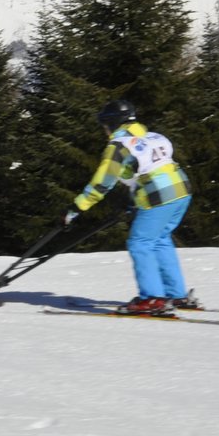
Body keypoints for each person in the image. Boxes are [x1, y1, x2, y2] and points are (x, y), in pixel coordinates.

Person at [66, 99, 197, 316]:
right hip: (181, 190)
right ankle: (176, 294)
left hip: (158, 196)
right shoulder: (153, 136)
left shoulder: (119, 145)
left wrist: (76, 207)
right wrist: (135, 202)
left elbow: (102, 182)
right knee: (160, 239)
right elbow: (143, 171)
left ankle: (152, 299)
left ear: (114, 122)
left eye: (105, 124)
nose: (104, 129)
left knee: (141, 243)